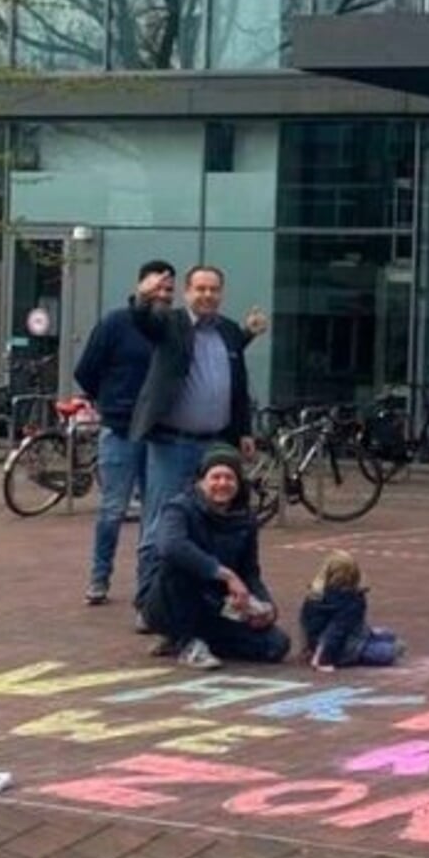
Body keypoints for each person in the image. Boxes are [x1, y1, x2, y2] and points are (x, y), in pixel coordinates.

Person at [128, 265, 262, 624]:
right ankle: (149, 606)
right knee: (159, 525)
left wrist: (244, 431)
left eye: (214, 289)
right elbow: (142, 320)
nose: (207, 295)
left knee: (212, 525)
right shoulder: (169, 323)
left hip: (214, 446)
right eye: (200, 289)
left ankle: (205, 603)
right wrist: (143, 295)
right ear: (187, 292)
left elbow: (237, 385)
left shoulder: (229, 332)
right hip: (172, 443)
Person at [73, 259, 173, 607]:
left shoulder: (172, 327)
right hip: (120, 429)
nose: (164, 294)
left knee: (156, 512)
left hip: (161, 434)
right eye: (157, 287)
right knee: (113, 509)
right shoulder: (116, 323)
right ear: (140, 286)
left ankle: (147, 588)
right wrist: (111, 402)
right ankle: (99, 577)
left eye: (169, 290)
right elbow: (86, 370)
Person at [143, 446, 290, 670]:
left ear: (239, 483)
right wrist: (223, 573)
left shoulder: (245, 519)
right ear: (202, 481)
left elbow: (250, 571)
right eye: (216, 477)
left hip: (216, 605)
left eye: (230, 477)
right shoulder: (179, 508)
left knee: (276, 645)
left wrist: (265, 606)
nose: (222, 483)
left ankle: (196, 640)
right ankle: (186, 641)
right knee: (177, 566)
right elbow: (171, 546)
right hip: (170, 601)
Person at [301, 550, 405, 671]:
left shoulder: (314, 594)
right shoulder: (352, 600)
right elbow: (336, 630)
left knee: (388, 635)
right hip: (344, 647)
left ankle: (320, 651)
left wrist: (310, 647)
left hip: (320, 642)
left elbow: (305, 623)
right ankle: (339, 653)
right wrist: (323, 660)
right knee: (397, 647)